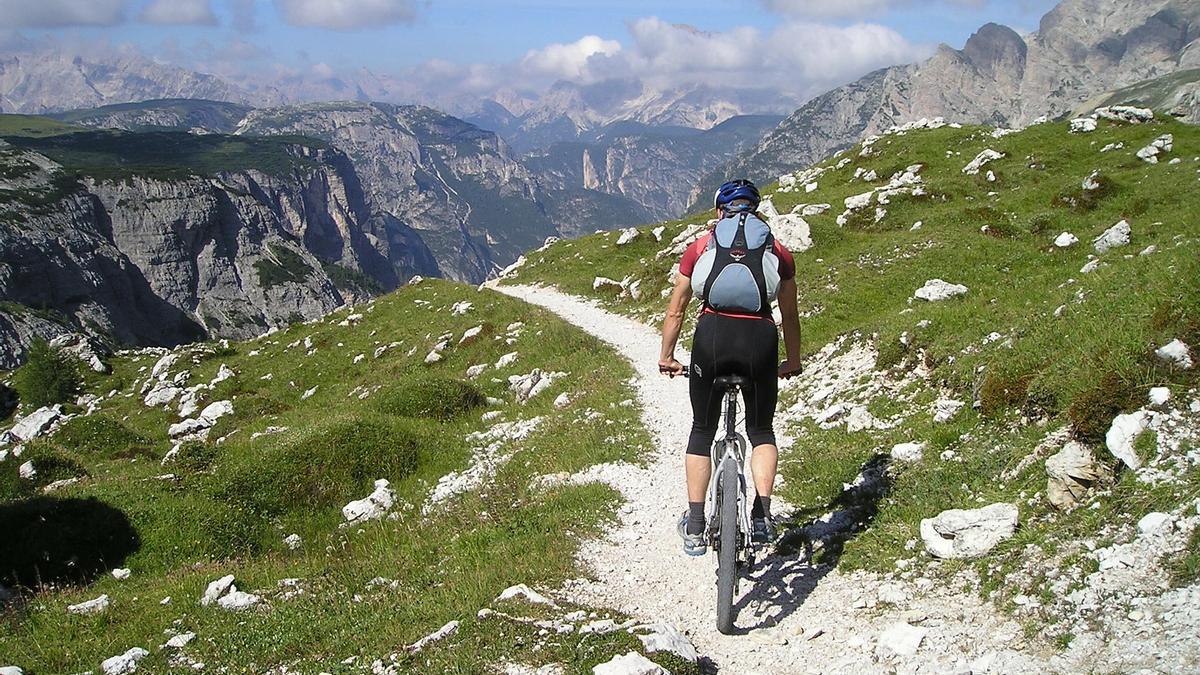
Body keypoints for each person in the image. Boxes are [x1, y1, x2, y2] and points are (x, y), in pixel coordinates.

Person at [658, 178, 803, 556]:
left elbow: (677, 308)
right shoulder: (778, 251)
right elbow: (789, 314)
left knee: (702, 429)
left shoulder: (701, 247)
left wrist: (667, 356)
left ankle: (694, 523)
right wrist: (793, 360)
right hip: (760, 339)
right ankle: (761, 515)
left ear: (720, 212)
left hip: (713, 337)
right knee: (761, 429)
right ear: (755, 212)